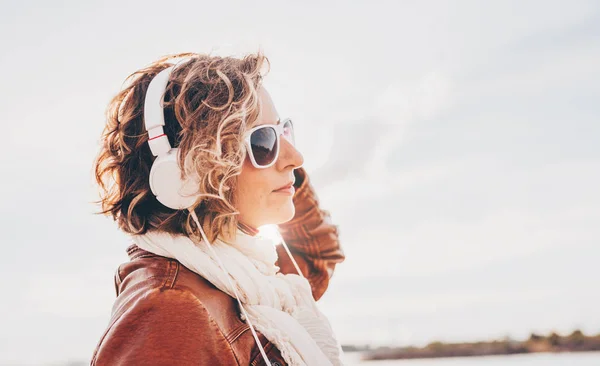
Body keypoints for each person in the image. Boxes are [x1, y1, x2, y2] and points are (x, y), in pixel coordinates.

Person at [90, 51, 346, 366]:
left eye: (285, 131)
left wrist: (279, 173)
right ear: (187, 173)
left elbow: (317, 258)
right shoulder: (171, 313)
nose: (297, 156)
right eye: (263, 142)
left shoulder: (245, 278)